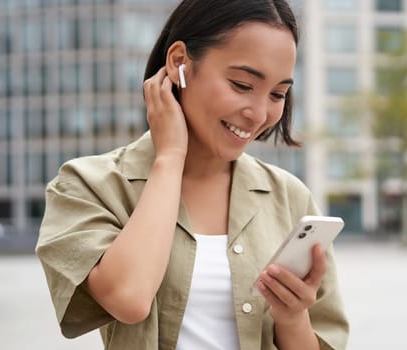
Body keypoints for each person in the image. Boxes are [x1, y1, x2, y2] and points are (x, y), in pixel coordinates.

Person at [35, 1, 349, 349]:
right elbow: (129, 299)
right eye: (242, 85)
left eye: (278, 94)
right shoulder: (89, 185)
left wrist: (291, 316)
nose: (259, 114)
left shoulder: (290, 197)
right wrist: (170, 157)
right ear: (180, 62)